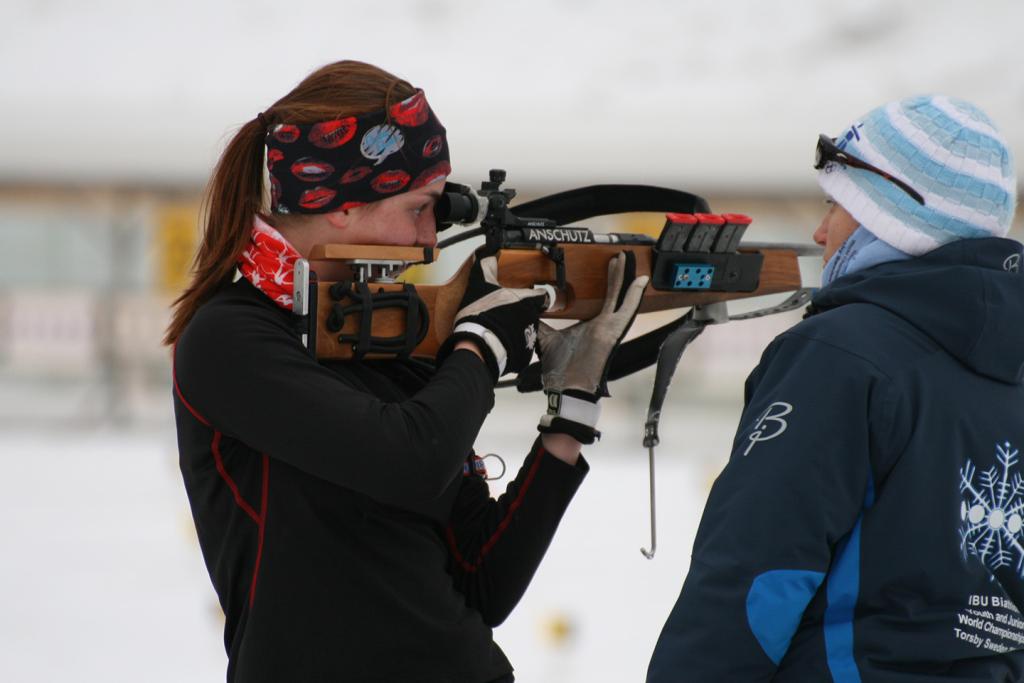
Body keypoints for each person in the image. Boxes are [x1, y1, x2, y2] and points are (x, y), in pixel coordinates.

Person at [165, 60, 646, 682]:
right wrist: (478, 348)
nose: (428, 239)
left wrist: (571, 411)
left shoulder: (391, 335)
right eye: (421, 207)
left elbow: (482, 582)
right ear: (340, 205)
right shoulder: (232, 337)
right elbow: (408, 460)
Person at [647, 95, 1024, 681]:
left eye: (838, 206)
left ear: (892, 219)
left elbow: (755, 573)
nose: (821, 232)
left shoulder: (838, 354)